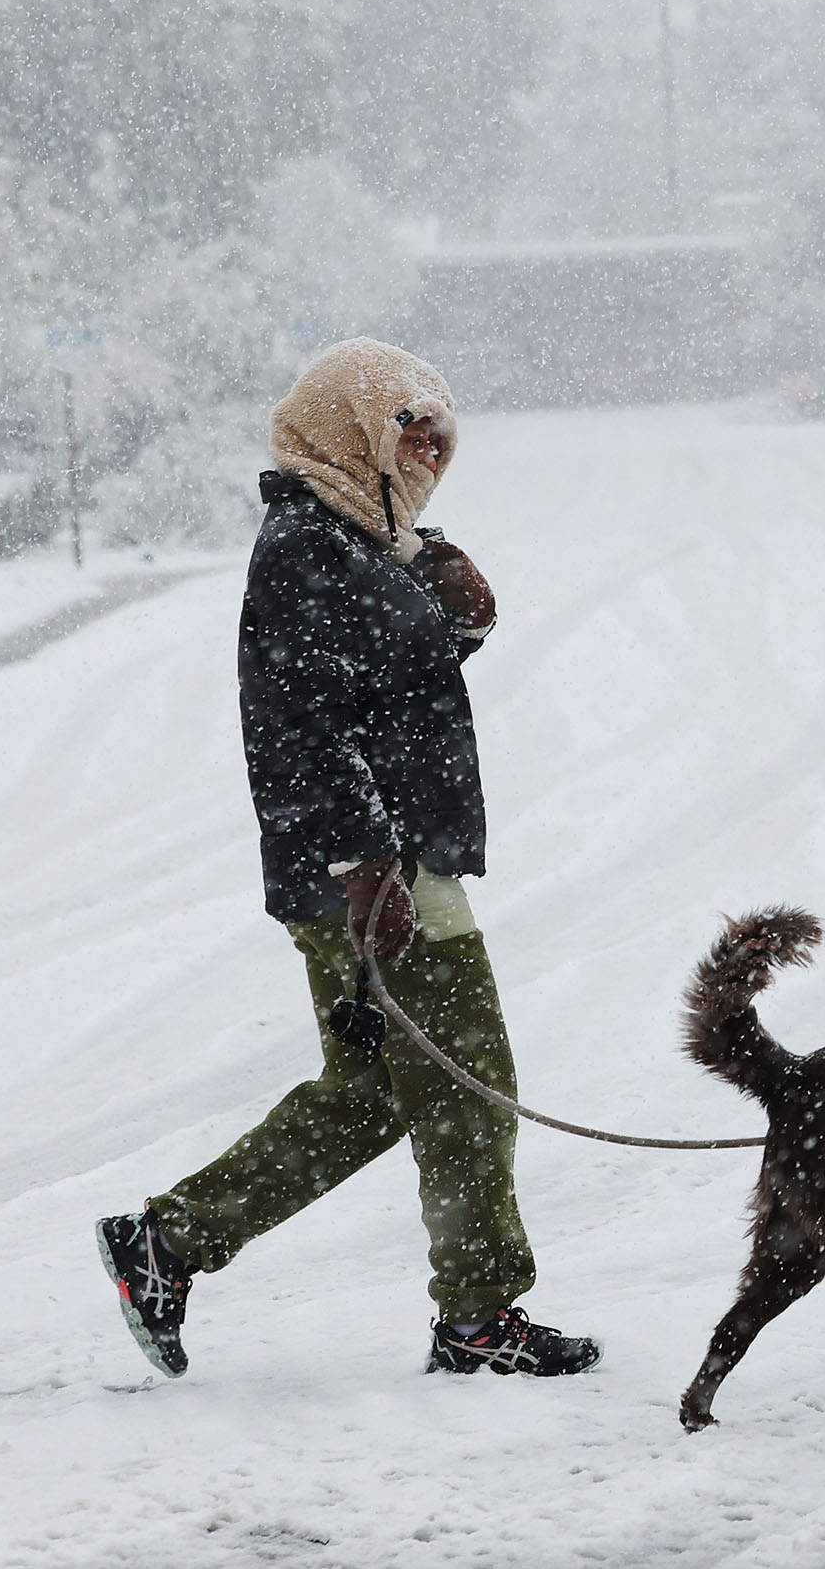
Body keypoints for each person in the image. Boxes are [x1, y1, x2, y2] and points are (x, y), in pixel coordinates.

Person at [95, 338, 597, 1380]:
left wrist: (460, 620)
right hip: (371, 872)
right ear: (348, 426)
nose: (427, 450)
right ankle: (478, 1318)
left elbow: (385, 692)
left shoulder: (365, 540)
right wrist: (368, 868)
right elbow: (303, 729)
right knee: (469, 1081)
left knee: (377, 1091)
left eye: (438, 435)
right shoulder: (308, 550)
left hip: (391, 860)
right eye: (407, 428)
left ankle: (170, 1241)